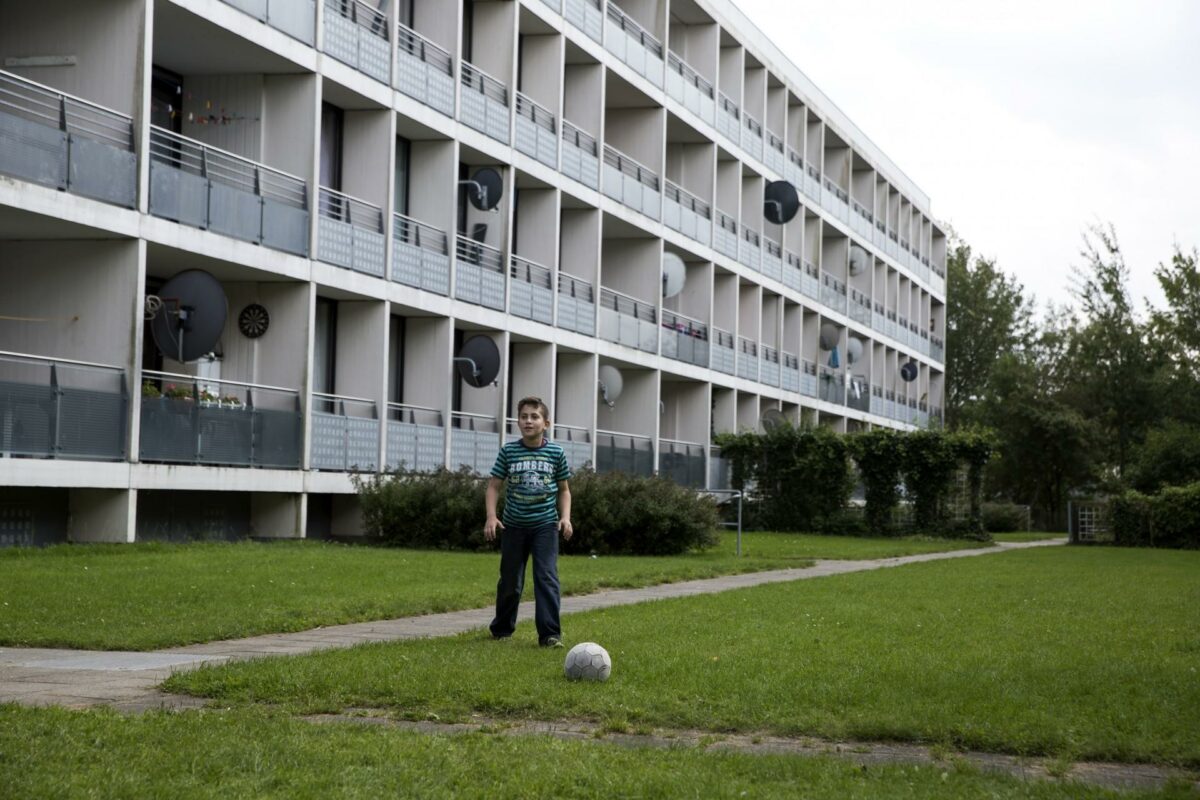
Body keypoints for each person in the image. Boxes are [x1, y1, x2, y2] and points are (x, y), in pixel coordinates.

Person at [484, 396, 573, 647]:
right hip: (513, 525)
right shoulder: (509, 451)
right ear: (518, 421)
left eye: (534, 417)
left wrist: (565, 518)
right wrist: (492, 516)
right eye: (524, 416)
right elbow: (493, 486)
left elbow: (564, 489)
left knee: (546, 577)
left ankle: (550, 635)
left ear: (546, 423)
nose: (528, 421)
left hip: (545, 525)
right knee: (511, 580)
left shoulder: (556, 452)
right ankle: (501, 629)